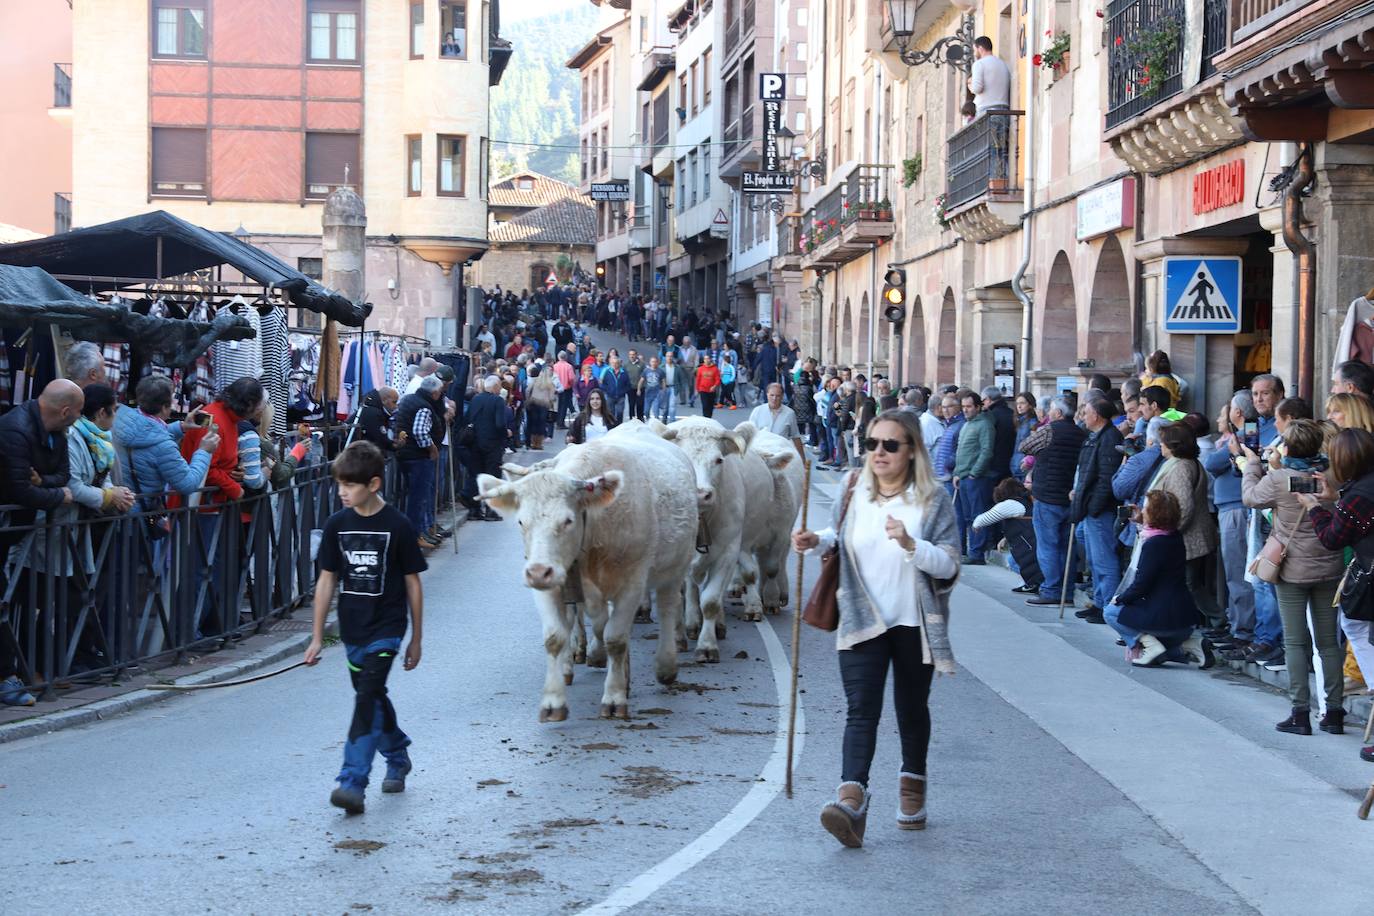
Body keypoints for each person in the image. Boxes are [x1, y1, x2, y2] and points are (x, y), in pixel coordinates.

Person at [792, 410, 959, 846]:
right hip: (861, 618)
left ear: (912, 451)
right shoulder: (853, 488)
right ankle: (851, 800)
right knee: (861, 709)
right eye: (871, 444)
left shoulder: (933, 498)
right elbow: (841, 536)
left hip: (913, 621)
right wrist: (818, 542)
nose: (878, 453)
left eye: (890, 445)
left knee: (910, 708)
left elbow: (948, 564)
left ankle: (912, 787)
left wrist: (910, 544)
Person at [305, 442, 426, 815]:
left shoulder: (398, 526)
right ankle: (397, 752)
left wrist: (416, 638)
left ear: (373, 484)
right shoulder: (337, 525)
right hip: (352, 628)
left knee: (367, 695)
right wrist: (316, 636)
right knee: (371, 696)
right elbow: (326, 581)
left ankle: (351, 781)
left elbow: (413, 584)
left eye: (350, 485)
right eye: (339, 484)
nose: (342, 492)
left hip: (388, 626)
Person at [1241, 418, 1344, 733]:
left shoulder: (1280, 479)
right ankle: (1335, 713)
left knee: (1296, 642)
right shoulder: (1329, 475)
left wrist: (1251, 466)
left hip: (1292, 570)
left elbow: (1251, 498)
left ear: (1288, 447)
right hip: (1328, 567)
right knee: (1328, 643)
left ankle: (1300, 713)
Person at [1301, 427, 1374, 753]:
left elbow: (1332, 539)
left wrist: (1314, 508)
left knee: (1356, 629)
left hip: (1370, 578)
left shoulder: (1358, 496)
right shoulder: (1358, 491)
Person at [1106, 490, 1213, 667]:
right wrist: (1142, 522)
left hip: (1162, 616)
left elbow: (1142, 584)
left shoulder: (1154, 544)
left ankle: (1150, 645)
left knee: (1110, 612)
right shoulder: (1174, 536)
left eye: (1147, 508)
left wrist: (1120, 599)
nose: (1143, 510)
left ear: (1156, 513)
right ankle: (1190, 645)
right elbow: (1152, 534)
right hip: (1182, 617)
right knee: (1162, 644)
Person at [113, 375, 218, 509]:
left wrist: (180, 427)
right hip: (141, 518)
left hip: (120, 510)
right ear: (164, 408)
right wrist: (204, 450)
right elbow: (188, 483)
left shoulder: (120, 418)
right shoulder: (164, 447)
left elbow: (146, 435)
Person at [1019, 399, 1086, 607]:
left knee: (1048, 545)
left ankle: (1052, 590)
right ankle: (1066, 590)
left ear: (1057, 412)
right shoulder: (1081, 433)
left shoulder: (1049, 430)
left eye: (1050, 409)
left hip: (1048, 494)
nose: (1047, 412)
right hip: (1069, 495)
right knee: (1066, 546)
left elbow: (1025, 446)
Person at [1205, 392, 1258, 654]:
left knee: (1238, 572)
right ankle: (1238, 625)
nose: (1219, 418)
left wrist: (1228, 449)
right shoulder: (1234, 437)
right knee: (1233, 572)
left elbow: (1211, 463)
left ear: (1236, 413)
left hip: (1237, 507)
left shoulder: (1243, 435)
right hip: (1230, 506)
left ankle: (1244, 630)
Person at [1071, 398, 1125, 620]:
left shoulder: (1110, 437)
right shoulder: (1095, 437)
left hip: (1100, 508)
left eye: (1087, 413)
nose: (1083, 417)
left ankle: (1107, 608)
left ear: (1098, 416)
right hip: (1090, 506)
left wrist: (1093, 506)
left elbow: (1106, 478)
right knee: (1095, 559)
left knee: (1104, 559)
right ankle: (1100, 601)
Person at [973, 476, 1043, 594]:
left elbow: (982, 519)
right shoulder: (1026, 501)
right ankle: (1031, 582)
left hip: (1028, 544)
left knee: (1013, 562)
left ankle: (1033, 583)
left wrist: (975, 526)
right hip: (1032, 540)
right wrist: (1005, 539)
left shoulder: (1011, 503)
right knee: (1015, 560)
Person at [952, 390, 996, 564]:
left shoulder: (984, 425)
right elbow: (962, 451)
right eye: (963, 407)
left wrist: (974, 473)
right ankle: (973, 550)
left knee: (978, 515)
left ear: (978, 407)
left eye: (969, 406)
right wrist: (957, 473)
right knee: (968, 516)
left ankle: (977, 553)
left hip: (976, 478)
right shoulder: (967, 424)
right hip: (963, 476)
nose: (965, 410)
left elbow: (986, 451)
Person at [463, 376, 509, 522]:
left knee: (476, 476)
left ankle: (474, 510)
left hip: (475, 443)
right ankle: (491, 510)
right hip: (493, 444)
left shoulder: (476, 399)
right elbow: (500, 424)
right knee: (492, 477)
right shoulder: (498, 401)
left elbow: (468, 418)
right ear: (496, 387)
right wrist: (505, 435)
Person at [968, 36, 1011, 115]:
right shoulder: (1002, 64)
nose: (974, 53)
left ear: (980, 48)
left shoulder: (979, 64)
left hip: (986, 110)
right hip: (1003, 110)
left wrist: (970, 85)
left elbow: (977, 89)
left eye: (975, 50)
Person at [981, 386, 1016, 483]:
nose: (982, 404)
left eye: (983, 400)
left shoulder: (989, 416)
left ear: (988, 399)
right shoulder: (1012, 413)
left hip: (994, 464)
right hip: (1010, 462)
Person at [1010, 391, 1038, 480]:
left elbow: (1034, 445)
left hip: (1024, 465)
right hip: (1016, 464)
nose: (1019, 406)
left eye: (1022, 403)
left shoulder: (1032, 423)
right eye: (1017, 403)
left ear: (1030, 405)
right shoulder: (1020, 421)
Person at [640, 355, 667, 423]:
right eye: (652, 362)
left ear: (658, 363)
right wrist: (638, 389)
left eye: (655, 362)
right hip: (647, 394)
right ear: (650, 362)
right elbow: (641, 380)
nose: (654, 363)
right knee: (646, 410)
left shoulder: (660, 371)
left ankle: (657, 424)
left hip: (657, 393)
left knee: (656, 411)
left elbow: (663, 381)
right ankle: (648, 420)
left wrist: (664, 390)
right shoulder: (646, 371)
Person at [695, 353, 722, 418]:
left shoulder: (715, 369)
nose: (706, 360)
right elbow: (698, 379)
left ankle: (709, 418)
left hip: (711, 391)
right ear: (703, 360)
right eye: (705, 359)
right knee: (705, 405)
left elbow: (718, 380)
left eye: (708, 359)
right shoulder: (700, 369)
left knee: (710, 406)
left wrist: (714, 386)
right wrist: (697, 389)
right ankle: (705, 419)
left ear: (710, 360)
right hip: (703, 390)